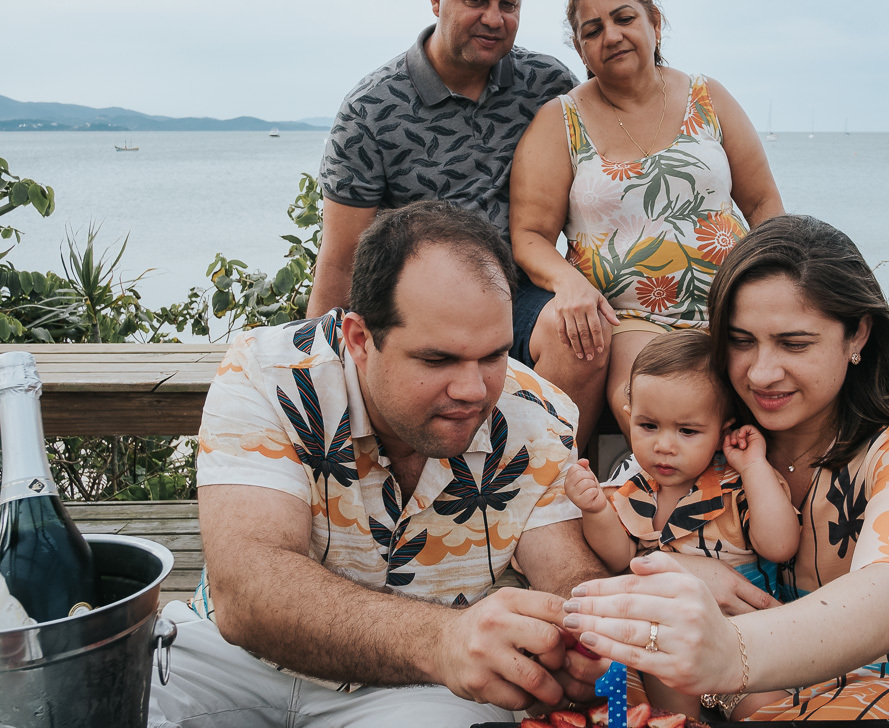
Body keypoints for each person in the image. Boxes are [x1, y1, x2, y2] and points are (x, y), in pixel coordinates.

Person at [150, 202, 609, 728]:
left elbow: (566, 570)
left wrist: (583, 631)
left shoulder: (541, 417)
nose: (474, 390)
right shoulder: (269, 376)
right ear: (360, 339)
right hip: (228, 662)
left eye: (494, 355)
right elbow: (247, 588)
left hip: (417, 690)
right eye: (438, 360)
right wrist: (445, 638)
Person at [561, 215, 889, 721]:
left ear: (857, 335)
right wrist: (683, 571)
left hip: (869, 685)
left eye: (794, 344)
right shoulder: (699, 430)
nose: (762, 373)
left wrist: (729, 648)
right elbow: (606, 525)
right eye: (741, 341)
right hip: (692, 677)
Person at [309, 0, 610, 448]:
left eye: (508, 3)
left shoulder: (547, 86)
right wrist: (317, 371)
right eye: (476, 0)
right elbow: (341, 258)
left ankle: (547, 492)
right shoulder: (371, 110)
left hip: (516, 293)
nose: (494, 18)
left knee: (579, 336)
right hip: (418, 305)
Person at [509, 0, 785, 441]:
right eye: (592, 30)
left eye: (624, 18)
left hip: (733, 309)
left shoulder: (708, 95)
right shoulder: (561, 121)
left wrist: (775, 291)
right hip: (634, 320)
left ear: (654, 22)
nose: (611, 35)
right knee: (654, 414)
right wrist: (568, 284)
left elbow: (763, 205)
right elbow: (530, 235)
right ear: (580, 49)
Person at [564, 328, 798, 719]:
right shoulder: (634, 491)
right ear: (630, 416)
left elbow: (780, 545)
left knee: (770, 713)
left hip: (745, 649)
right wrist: (595, 510)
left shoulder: (738, 486)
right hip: (667, 649)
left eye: (687, 431)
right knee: (667, 715)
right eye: (648, 426)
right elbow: (619, 553)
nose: (664, 445)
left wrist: (754, 465)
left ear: (724, 430)